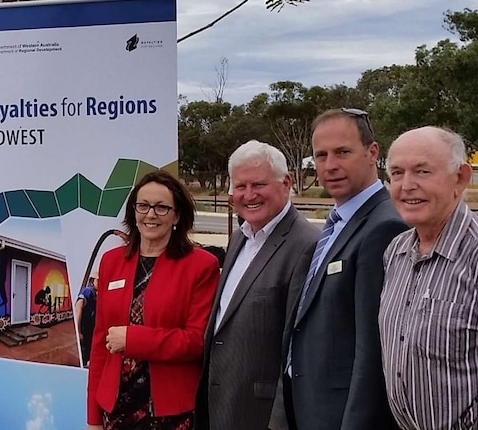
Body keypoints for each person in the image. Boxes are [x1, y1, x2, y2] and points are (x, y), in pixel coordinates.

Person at [281, 109, 407, 430]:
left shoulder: (384, 225)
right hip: (308, 406)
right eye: (320, 156)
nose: (329, 165)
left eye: (342, 152)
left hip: (340, 416)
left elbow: (373, 349)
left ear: (372, 153)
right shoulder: (337, 221)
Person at [195, 141, 319, 430]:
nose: (248, 195)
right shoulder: (241, 237)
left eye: (258, 184)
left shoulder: (306, 246)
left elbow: (297, 352)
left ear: (286, 183)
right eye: (240, 186)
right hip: (222, 406)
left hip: (262, 417)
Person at [380, 126, 478, 430]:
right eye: (396, 173)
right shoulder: (396, 252)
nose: (407, 186)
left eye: (422, 171)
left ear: (460, 177)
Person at [86, 170, 220, 430]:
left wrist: (132, 340)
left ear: (177, 216)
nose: (150, 215)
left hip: (171, 413)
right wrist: (93, 417)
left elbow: (195, 341)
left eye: (161, 208)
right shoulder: (111, 261)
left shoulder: (201, 266)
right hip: (115, 409)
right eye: (143, 206)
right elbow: (100, 342)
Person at [75, 270, 98, 367]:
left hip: (90, 332)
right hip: (84, 330)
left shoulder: (96, 295)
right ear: (93, 280)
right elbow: (78, 309)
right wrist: (78, 331)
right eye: (98, 280)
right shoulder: (87, 291)